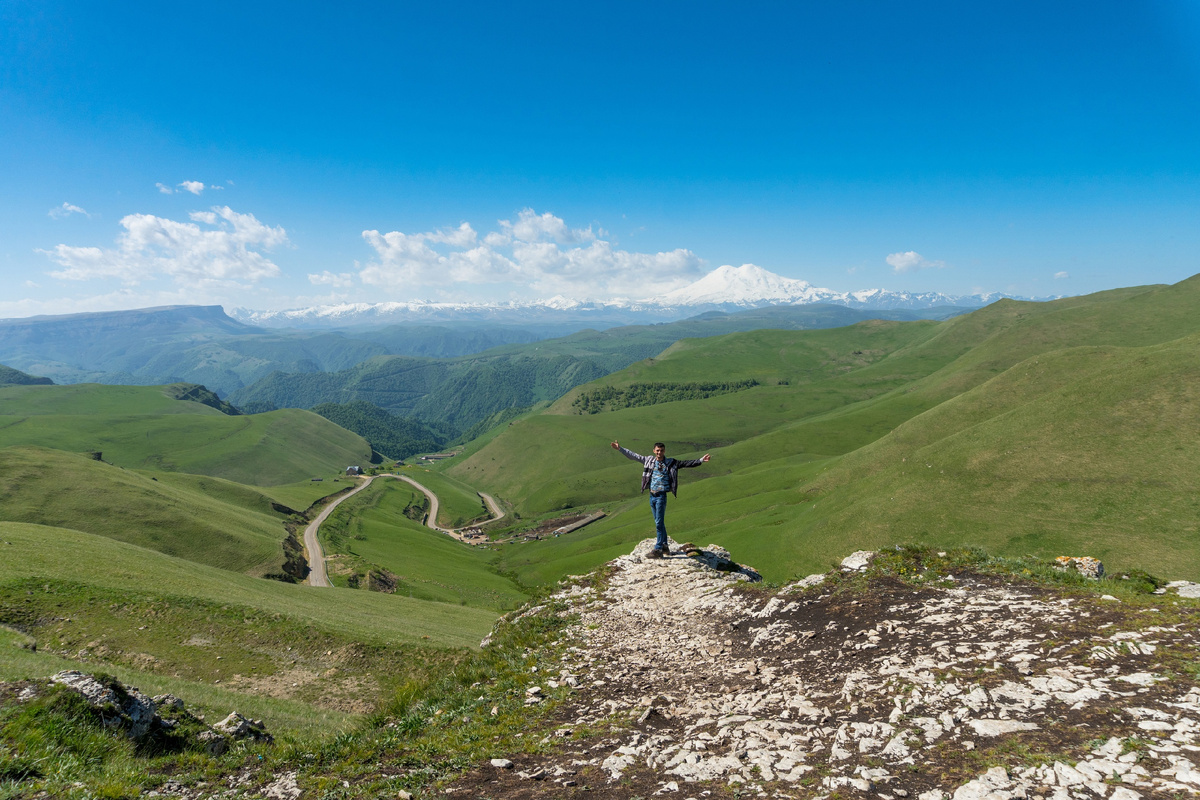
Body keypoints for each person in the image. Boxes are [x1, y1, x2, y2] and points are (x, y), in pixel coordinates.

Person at [611, 440, 710, 558]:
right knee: (659, 522)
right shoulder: (648, 460)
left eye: (661, 450)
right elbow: (634, 456)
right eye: (657, 450)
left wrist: (700, 460)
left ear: (664, 451)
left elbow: (685, 463)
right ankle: (664, 546)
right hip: (652, 495)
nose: (659, 452)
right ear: (654, 451)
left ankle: (658, 549)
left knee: (658, 523)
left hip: (661, 496)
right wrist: (620, 449)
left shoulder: (670, 462)